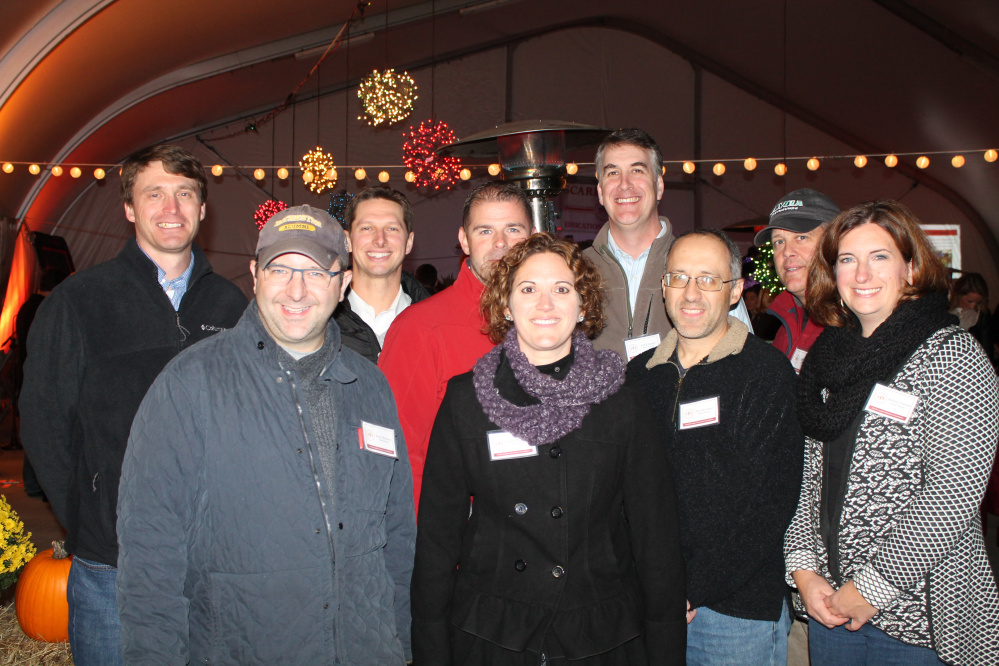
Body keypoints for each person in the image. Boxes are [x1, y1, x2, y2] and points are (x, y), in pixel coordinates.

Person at [117, 205, 416, 664]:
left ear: (343, 283)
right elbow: (150, 550)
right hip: (243, 650)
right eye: (280, 270)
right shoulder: (191, 384)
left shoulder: (370, 385)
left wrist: (401, 643)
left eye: (316, 273)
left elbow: (396, 532)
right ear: (255, 275)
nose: (296, 290)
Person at [18, 144, 247, 665]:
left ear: (203, 208)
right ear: (129, 207)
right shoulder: (80, 301)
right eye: (154, 194)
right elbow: (44, 420)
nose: (172, 208)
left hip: (209, 563)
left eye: (184, 194)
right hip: (112, 565)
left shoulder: (230, 307)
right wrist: (86, 517)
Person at [412, 233, 686, 664]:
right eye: (528, 289)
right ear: (506, 305)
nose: (545, 304)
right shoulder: (466, 400)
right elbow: (437, 540)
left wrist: (666, 650)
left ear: (583, 304)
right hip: (494, 631)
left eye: (561, 289)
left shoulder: (623, 402)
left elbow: (657, 539)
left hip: (599, 632)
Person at [786, 200, 999, 665]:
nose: (862, 274)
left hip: (920, 617)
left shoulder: (952, 356)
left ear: (912, 267)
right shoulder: (828, 360)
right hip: (829, 607)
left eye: (879, 256)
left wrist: (870, 589)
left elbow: (953, 495)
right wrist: (802, 569)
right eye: (847, 259)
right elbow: (807, 483)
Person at [628, 229, 803, 665]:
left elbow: (770, 503)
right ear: (664, 287)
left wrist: (690, 588)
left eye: (708, 279)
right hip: (650, 600)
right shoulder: (639, 375)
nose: (691, 293)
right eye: (679, 278)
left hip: (736, 613)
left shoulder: (765, 374)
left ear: (735, 291)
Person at [379, 181, 532, 511]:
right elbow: (400, 455)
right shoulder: (420, 329)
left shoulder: (552, 325)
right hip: (463, 532)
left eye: (513, 229)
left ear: (532, 237)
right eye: (485, 231)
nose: (501, 243)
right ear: (464, 240)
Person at [584, 128, 753, 361]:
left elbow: (745, 355)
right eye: (613, 172)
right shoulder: (576, 271)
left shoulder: (705, 263)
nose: (624, 184)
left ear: (659, 186)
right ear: (601, 192)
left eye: (637, 170)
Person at [334, 187, 429, 363]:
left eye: (392, 228)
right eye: (367, 228)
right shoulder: (320, 324)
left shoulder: (436, 322)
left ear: (409, 242)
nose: (380, 240)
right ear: (348, 241)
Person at [755, 188, 840, 371]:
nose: (787, 252)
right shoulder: (786, 325)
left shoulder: (852, 322)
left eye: (801, 237)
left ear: (834, 243)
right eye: (779, 241)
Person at [948, 271, 994, 363]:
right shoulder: (945, 311)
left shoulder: (982, 315)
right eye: (970, 301)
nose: (973, 306)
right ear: (958, 295)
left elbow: (987, 349)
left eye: (978, 302)